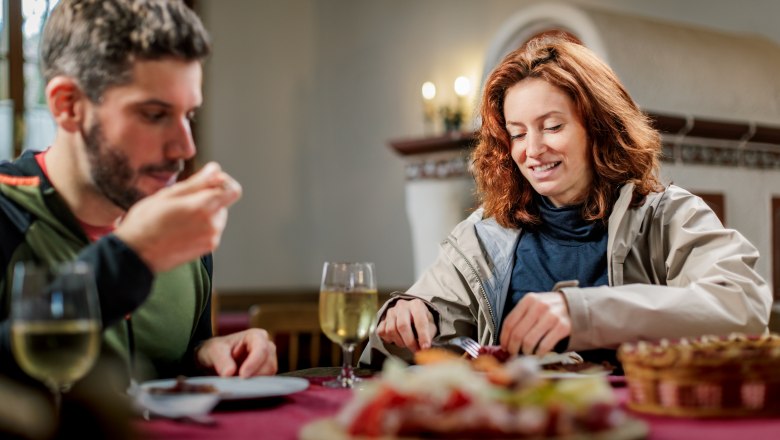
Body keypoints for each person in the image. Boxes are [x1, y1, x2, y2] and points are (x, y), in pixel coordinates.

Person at [362, 34, 772, 370]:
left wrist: (584, 313)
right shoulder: (484, 238)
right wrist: (405, 315)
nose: (532, 149)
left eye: (552, 126)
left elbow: (745, 304)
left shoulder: (667, 216)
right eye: (518, 133)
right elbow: (387, 355)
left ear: (600, 127)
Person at [0, 0, 277, 385]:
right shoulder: (6, 212)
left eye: (188, 115)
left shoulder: (181, 234)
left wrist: (203, 355)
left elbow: (167, 379)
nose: (185, 148)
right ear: (68, 106)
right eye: (154, 115)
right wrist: (130, 259)